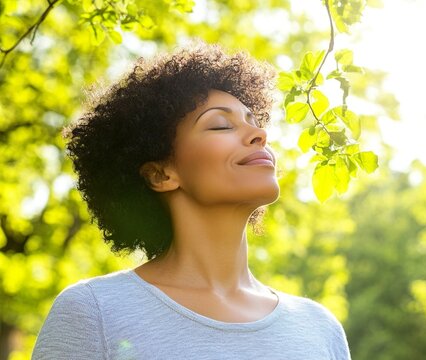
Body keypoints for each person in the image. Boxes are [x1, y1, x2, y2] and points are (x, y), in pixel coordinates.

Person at [32, 42, 351, 360]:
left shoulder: (319, 328)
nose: (259, 136)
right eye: (221, 125)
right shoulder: (93, 311)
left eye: (255, 123)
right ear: (160, 175)